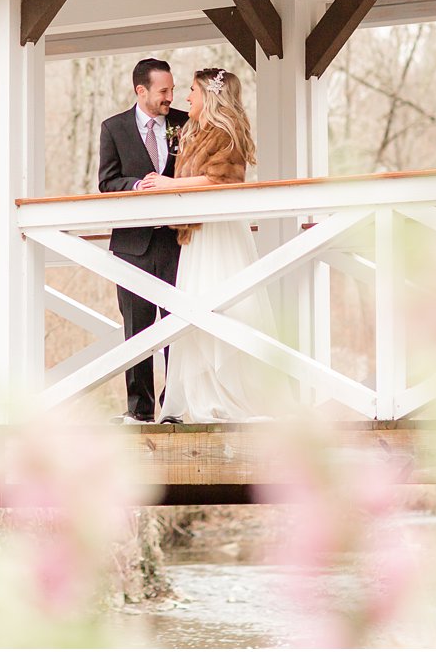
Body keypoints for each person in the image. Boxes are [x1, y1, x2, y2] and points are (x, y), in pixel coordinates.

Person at [141, 68, 291, 423]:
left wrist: (166, 185)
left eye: (192, 90)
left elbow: (221, 178)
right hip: (195, 235)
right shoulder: (195, 130)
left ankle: (230, 393)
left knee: (222, 305)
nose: (187, 97)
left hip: (219, 234)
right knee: (194, 309)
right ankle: (201, 395)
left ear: (209, 95)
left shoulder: (226, 132)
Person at [97, 58, 189, 423]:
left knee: (177, 326)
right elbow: (107, 182)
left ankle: (174, 407)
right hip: (132, 245)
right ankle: (139, 410)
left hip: (176, 242)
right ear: (142, 90)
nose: (170, 97)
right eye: (163, 91)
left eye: (172, 90)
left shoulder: (184, 123)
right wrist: (138, 186)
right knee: (137, 329)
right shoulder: (113, 128)